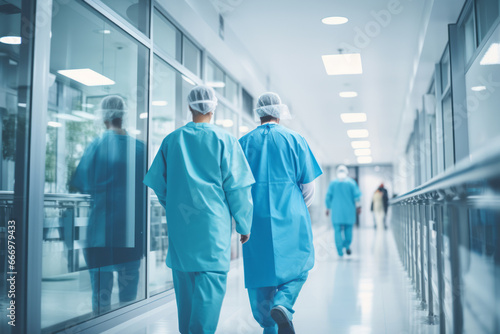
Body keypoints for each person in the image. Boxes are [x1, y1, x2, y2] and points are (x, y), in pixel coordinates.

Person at [143, 85, 255, 334]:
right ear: (213, 108)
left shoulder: (172, 140)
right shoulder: (225, 141)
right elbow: (238, 190)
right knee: (209, 291)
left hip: (182, 230)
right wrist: (244, 224)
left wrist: (175, 208)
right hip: (212, 231)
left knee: (186, 293)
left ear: (190, 106)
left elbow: (160, 187)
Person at [239, 92, 323, 334]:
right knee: (299, 267)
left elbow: (236, 186)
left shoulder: (243, 143)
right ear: (279, 112)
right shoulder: (296, 140)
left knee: (261, 273)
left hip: (255, 219)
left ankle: (269, 322)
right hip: (292, 214)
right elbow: (308, 186)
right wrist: (295, 205)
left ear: (259, 112)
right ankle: (284, 304)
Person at [72, 95, 145, 314]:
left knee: (101, 296)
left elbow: (79, 181)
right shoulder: (139, 148)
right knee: (129, 297)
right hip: (131, 233)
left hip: (101, 233)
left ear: (104, 117)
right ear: (124, 117)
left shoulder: (97, 145)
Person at [325, 165, 361, 257]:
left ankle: (340, 251)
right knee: (348, 230)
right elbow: (357, 197)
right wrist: (359, 207)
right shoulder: (351, 183)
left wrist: (328, 208)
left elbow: (328, 197)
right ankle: (347, 245)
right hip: (349, 212)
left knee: (337, 231)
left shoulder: (333, 183)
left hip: (337, 212)